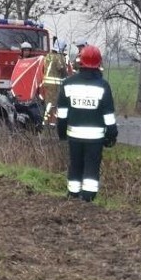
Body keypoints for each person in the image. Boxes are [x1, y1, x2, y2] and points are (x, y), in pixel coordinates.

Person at [56, 44, 118, 202]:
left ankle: (72, 195)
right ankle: (88, 197)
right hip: (95, 138)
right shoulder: (103, 86)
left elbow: (62, 114)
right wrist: (111, 136)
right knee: (91, 166)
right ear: (99, 64)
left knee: (75, 164)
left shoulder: (68, 84)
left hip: (74, 136)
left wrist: (61, 133)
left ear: (80, 62)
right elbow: (108, 116)